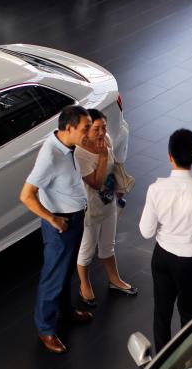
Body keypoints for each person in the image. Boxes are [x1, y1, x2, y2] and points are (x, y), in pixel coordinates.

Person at [139, 129, 192, 352]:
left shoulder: (156, 189)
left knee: (162, 314)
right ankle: (185, 363)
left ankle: (160, 363)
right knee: (190, 316)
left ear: (170, 156)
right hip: (191, 263)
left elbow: (146, 232)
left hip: (162, 258)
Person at [20, 105, 94, 354]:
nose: (88, 132)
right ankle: (46, 329)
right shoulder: (50, 156)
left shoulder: (68, 146)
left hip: (74, 219)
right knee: (53, 277)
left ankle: (65, 311)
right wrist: (52, 219)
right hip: (62, 225)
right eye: (85, 128)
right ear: (69, 128)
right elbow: (26, 195)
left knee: (65, 272)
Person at [74, 109, 137, 307]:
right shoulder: (80, 154)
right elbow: (94, 182)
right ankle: (84, 285)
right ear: (86, 130)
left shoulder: (106, 139)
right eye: (96, 129)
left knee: (108, 244)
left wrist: (118, 187)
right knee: (87, 248)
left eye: (104, 127)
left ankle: (114, 279)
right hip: (90, 209)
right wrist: (101, 157)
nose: (102, 132)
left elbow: (113, 166)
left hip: (109, 202)